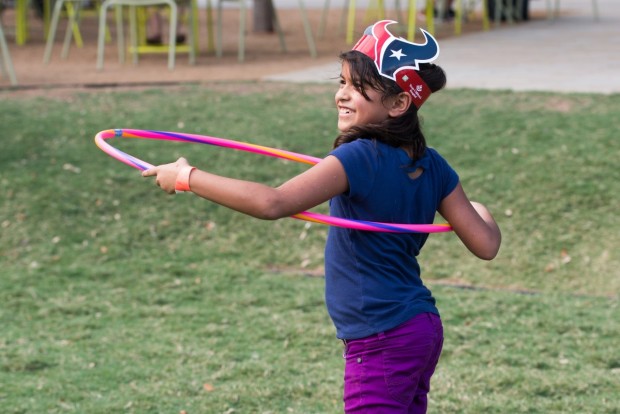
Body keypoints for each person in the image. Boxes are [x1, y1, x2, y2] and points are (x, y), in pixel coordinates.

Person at [142, 19, 501, 413]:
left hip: (380, 337)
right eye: (342, 82)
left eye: (359, 88)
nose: (342, 95)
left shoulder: (358, 157)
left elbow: (272, 203)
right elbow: (486, 244)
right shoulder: (432, 165)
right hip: (419, 327)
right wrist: (480, 211)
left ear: (398, 104)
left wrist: (186, 177)